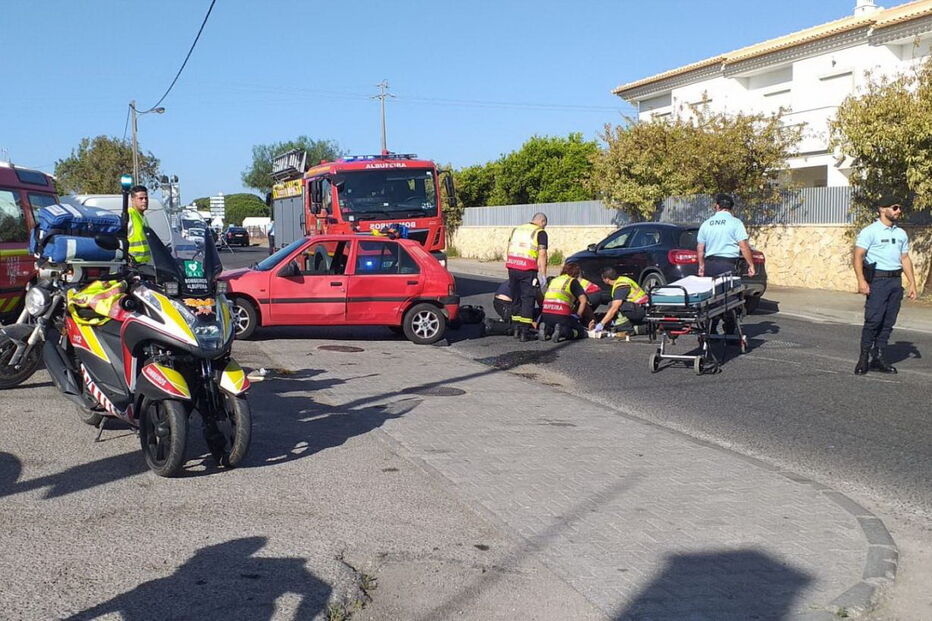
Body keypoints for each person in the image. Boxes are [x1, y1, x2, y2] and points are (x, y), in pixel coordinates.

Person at [852, 193, 918, 375]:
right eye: (894, 207)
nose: (898, 211)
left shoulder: (901, 233)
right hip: (878, 281)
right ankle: (864, 358)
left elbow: (904, 258)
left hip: (895, 282)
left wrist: (912, 283)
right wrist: (861, 281)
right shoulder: (870, 231)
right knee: (873, 320)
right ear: (882, 209)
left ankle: (879, 358)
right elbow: (858, 256)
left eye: (899, 208)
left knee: (888, 322)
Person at [505, 212, 548, 341]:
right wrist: (543, 274)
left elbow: (509, 247)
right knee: (527, 299)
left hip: (512, 267)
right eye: (544, 225)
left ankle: (516, 329)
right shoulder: (540, 232)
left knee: (516, 298)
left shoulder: (517, 229)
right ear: (542, 222)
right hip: (527, 269)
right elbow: (542, 254)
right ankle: (525, 331)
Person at [696, 193, 756, 278]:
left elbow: (700, 248)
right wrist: (751, 264)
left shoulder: (706, 224)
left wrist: (701, 266)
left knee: (711, 290)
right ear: (731, 208)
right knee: (727, 290)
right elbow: (743, 246)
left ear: (717, 206)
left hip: (710, 265)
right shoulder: (736, 223)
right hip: (728, 264)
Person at [539, 263, 588, 342]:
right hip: (561, 315)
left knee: (554, 327)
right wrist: (578, 315)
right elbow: (583, 300)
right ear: (576, 273)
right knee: (579, 331)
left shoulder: (554, 280)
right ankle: (562, 332)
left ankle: (547, 329)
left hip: (546, 314)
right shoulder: (572, 281)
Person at [591, 267, 649, 335]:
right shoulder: (623, 279)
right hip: (644, 307)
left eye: (603, 278)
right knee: (612, 305)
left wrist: (602, 323)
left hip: (641, 309)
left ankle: (627, 329)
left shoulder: (620, 286)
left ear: (607, 279)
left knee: (614, 306)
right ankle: (634, 326)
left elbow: (615, 308)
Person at [127, 185, 152, 264]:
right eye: (140, 198)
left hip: (144, 265)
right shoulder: (129, 215)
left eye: (146, 198)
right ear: (132, 200)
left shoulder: (143, 217)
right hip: (133, 265)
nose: (144, 201)